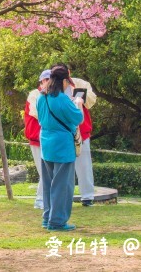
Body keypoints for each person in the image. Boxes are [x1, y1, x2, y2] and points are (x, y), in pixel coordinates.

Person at [36, 64, 84, 231]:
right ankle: (57, 221)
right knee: (62, 185)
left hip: (46, 144)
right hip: (62, 146)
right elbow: (78, 118)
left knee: (49, 184)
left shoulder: (41, 97)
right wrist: (78, 103)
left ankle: (47, 217)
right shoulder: (63, 99)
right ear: (64, 81)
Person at [24, 70, 52, 210]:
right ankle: (41, 199)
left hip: (48, 138)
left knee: (47, 171)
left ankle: (44, 199)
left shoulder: (52, 95)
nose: (47, 82)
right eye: (45, 80)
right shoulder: (35, 94)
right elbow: (37, 113)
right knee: (44, 171)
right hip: (37, 138)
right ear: (41, 81)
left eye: (49, 79)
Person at [69, 75, 98, 206]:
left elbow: (91, 100)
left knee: (84, 165)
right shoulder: (53, 86)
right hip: (63, 132)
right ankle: (64, 196)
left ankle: (87, 196)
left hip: (81, 131)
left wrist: (79, 98)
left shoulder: (80, 83)